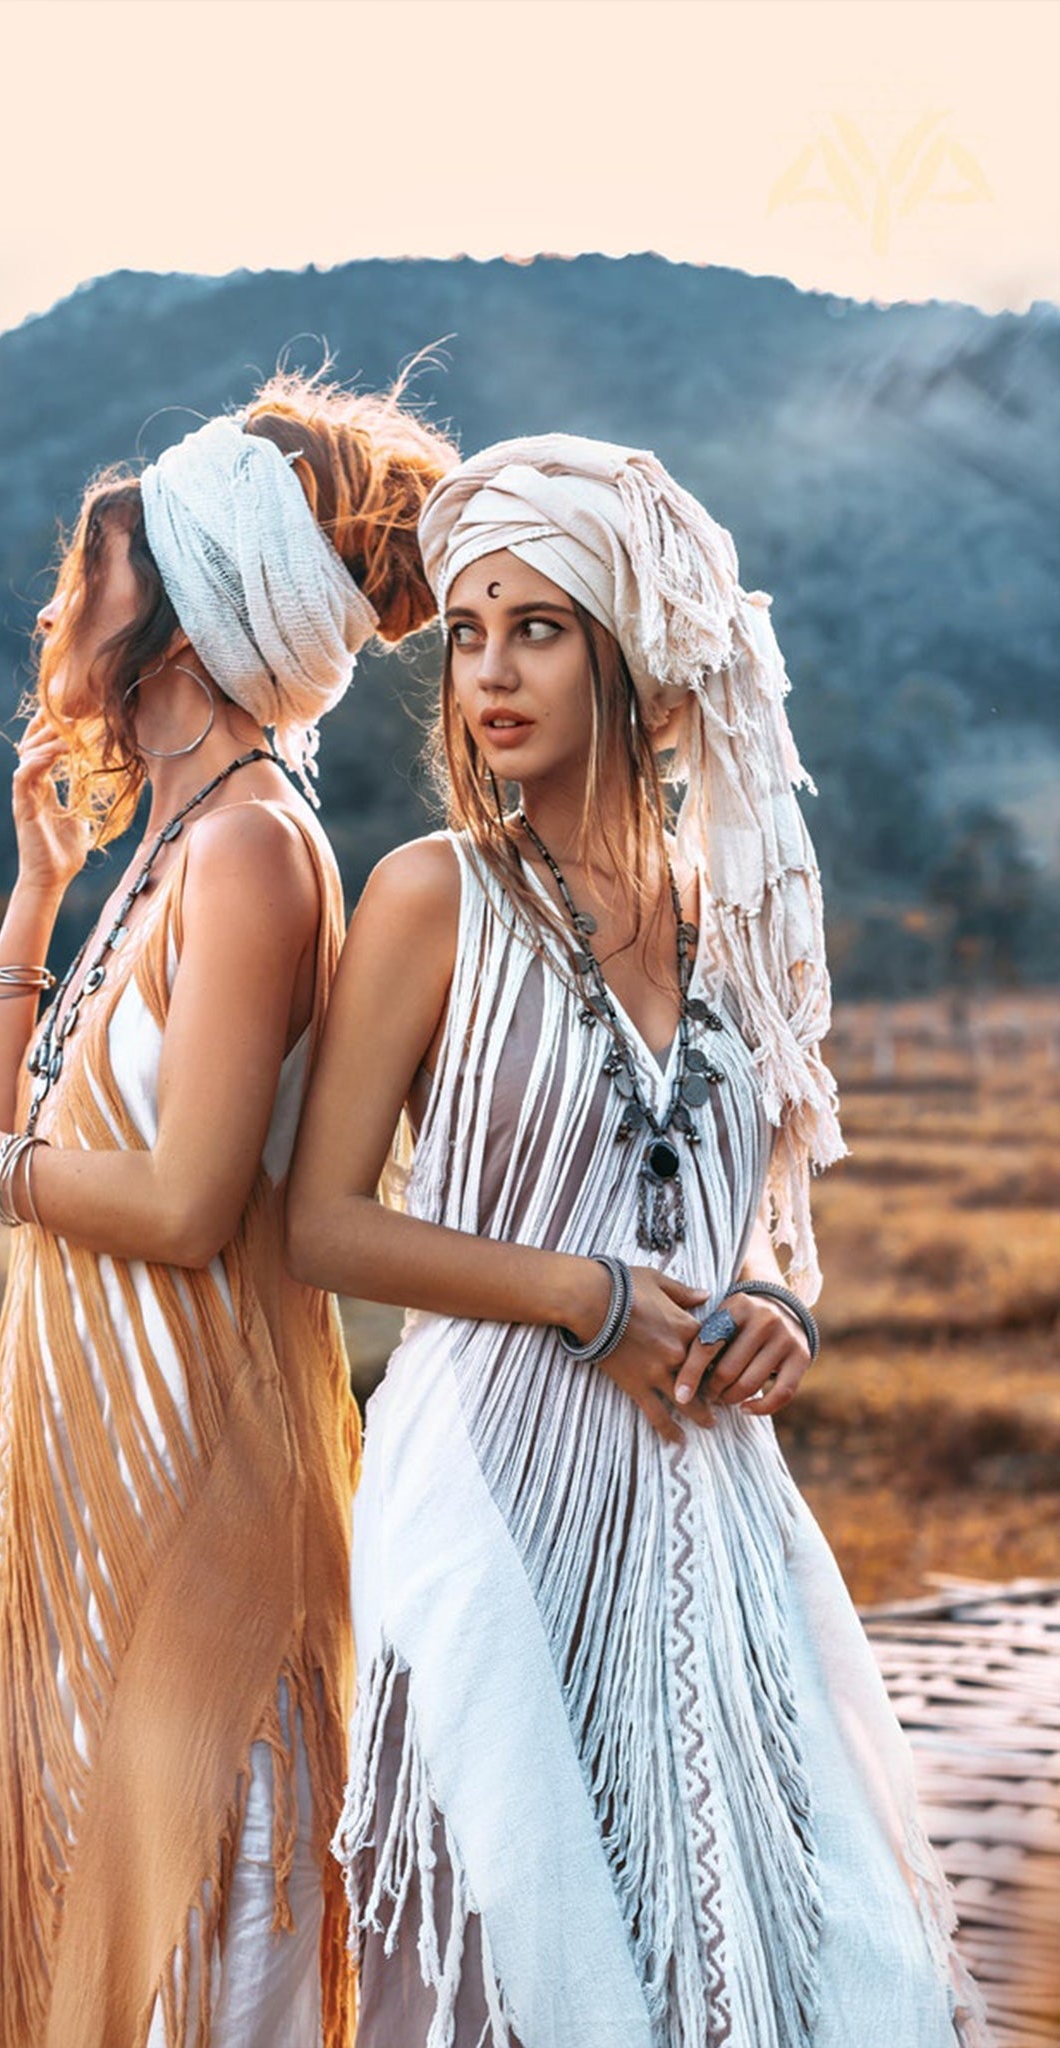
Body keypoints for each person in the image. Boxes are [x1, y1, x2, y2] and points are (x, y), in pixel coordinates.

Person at [286, 437, 991, 2047]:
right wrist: (581, 1294)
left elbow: (752, 1226)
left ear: (626, 649)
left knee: (788, 1926)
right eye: (466, 634)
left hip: (702, 1493)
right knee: (519, 1941)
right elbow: (315, 1227)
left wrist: (770, 1312)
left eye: (535, 628)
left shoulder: (732, 915)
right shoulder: (429, 895)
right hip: (488, 1469)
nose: (487, 673)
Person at [0, 371, 456, 2048]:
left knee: (170, 1941)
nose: (57, 604)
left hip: (188, 1487)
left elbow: (176, 1207)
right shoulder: (165, 850)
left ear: (183, 610)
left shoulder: (251, 852)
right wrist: (32, 893)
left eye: (90, 575)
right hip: (84, 1469)